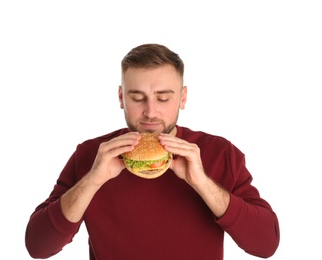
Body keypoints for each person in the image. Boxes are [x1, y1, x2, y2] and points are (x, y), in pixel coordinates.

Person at [25, 43, 280, 259]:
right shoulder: (92, 154)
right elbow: (38, 247)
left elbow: (266, 244)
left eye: (163, 98)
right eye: (137, 98)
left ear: (182, 98)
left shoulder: (219, 152)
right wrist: (93, 180)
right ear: (121, 97)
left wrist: (202, 183)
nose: (150, 112)